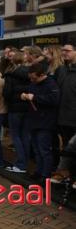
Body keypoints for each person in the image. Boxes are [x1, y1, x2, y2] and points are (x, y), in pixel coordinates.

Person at [21, 63, 60, 182]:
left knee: (44, 149)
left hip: (46, 122)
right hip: (33, 120)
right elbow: (31, 95)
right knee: (36, 149)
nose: (32, 80)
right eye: (31, 78)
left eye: (34, 78)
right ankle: (38, 171)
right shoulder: (33, 83)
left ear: (42, 75)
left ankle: (45, 174)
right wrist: (24, 96)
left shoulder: (51, 84)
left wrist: (35, 98)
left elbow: (54, 100)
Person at [51, 43, 76, 186]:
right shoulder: (61, 70)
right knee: (66, 148)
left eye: (67, 50)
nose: (64, 53)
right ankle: (67, 176)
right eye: (63, 51)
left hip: (74, 115)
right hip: (63, 117)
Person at [2, 51, 30, 174]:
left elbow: (7, 93)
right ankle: (24, 163)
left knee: (16, 136)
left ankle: (20, 163)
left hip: (14, 108)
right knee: (25, 135)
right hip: (27, 108)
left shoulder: (10, 75)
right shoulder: (30, 73)